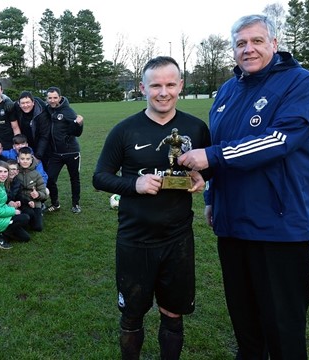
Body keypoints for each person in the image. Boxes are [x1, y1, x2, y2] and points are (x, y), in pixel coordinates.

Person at [177, 14, 309, 359]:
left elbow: (278, 140)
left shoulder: (300, 83)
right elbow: (221, 143)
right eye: (241, 43)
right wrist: (212, 197)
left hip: (279, 226)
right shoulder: (228, 90)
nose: (249, 49)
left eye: (257, 41)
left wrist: (211, 157)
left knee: (284, 331)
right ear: (233, 50)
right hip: (233, 224)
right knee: (246, 328)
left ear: (274, 44)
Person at [92, 56, 211, 359]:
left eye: (170, 84)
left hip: (178, 240)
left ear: (180, 86)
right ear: (142, 87)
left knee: (173, 315)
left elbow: (208, 169)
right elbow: (100, 176)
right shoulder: (124, 130)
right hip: (135, 240)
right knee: (132, 316)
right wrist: (134, 184)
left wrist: (202, 179)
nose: (163, 92)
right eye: (155, 85)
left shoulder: (195, 128)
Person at [44, 86, 83, 214]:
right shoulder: (47, 110)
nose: (52, 100)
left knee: (74, 178)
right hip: (55, 153)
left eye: (55, 97)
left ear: (60, 98)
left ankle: (75, 204)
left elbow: (77, 133)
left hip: (71, 152)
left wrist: (79, 124)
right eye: (50, 98)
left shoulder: (68, 111)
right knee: (50, 179)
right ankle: (55, 203)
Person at [14, 147, 48, 232]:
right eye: (22, 159)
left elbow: (44, 194)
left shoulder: (37, 174)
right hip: (21, 203)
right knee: (26, 217)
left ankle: (36, 215)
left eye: (27, 159)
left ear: (31, 160)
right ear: (18, 159)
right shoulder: (15, 172)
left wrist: (38, 195)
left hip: (35, 203)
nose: (25, 161)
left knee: (37, 227)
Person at [13, 91, 51, 165]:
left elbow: (45, 136)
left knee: (42, 170)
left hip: (41, 144)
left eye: (28, 102)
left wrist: (38, 156)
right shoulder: (16, 108)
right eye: (23, 103)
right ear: (19, 104)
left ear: (33, 103)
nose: (25, 105)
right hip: (26, 144)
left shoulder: (41, 112)